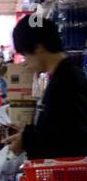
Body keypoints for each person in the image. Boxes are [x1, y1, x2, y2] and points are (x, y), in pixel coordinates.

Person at [7, 13, 87, 159]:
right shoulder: (62, 76)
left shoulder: (67, 81)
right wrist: (26, 135)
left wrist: (26, 141)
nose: (25, 63)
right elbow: (55, 128)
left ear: (39, 48)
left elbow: (71, 139)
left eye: (25, 55)